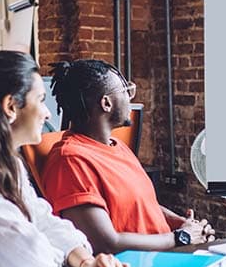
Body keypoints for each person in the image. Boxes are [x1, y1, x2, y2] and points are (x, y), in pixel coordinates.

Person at [0, 51, 129, 267]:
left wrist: (85, 261)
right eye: (40, 100)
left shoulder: (5, 163)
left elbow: (41, 219)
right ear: (11, 106)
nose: (47, 113)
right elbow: (30, 260)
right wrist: (67, 259)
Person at [41, 59, 215, 254]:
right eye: (125, 91)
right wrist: (181, 237)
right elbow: (105, 243)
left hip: (167, 256)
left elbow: (137, 204)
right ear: (106, 103)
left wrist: (182, 224)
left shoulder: (118, 147)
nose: (130, 98)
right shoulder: (71, 160)